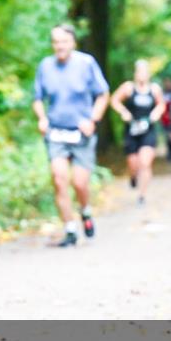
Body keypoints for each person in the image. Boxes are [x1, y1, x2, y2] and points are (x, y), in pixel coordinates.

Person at [32, 24, 110, 247]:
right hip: (56, 131)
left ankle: (85, 211)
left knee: (79, 182)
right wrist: (42, 118)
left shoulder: (86, 63)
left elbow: (103, 94)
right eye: (56, 42)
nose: (60, 46)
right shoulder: (45, 66)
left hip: (81, 133)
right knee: (59, 179)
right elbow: (37, 98)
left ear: (73, 43)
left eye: (64, 41)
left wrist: (93, 119)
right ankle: (70, 229)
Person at [110, 60, 166, 205]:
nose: (142, 75)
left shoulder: (154, 89)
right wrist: (123, 112)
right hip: (131, 130)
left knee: (145, 163)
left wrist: (156, 113)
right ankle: (133, 176)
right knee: (133, 164)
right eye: (139, 72)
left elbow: (161, 104)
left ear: (149, 74)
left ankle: (142, 196)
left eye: (144, 72)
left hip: (148, 130)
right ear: (135, 73)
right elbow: (114, 100)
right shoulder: (128, 87)